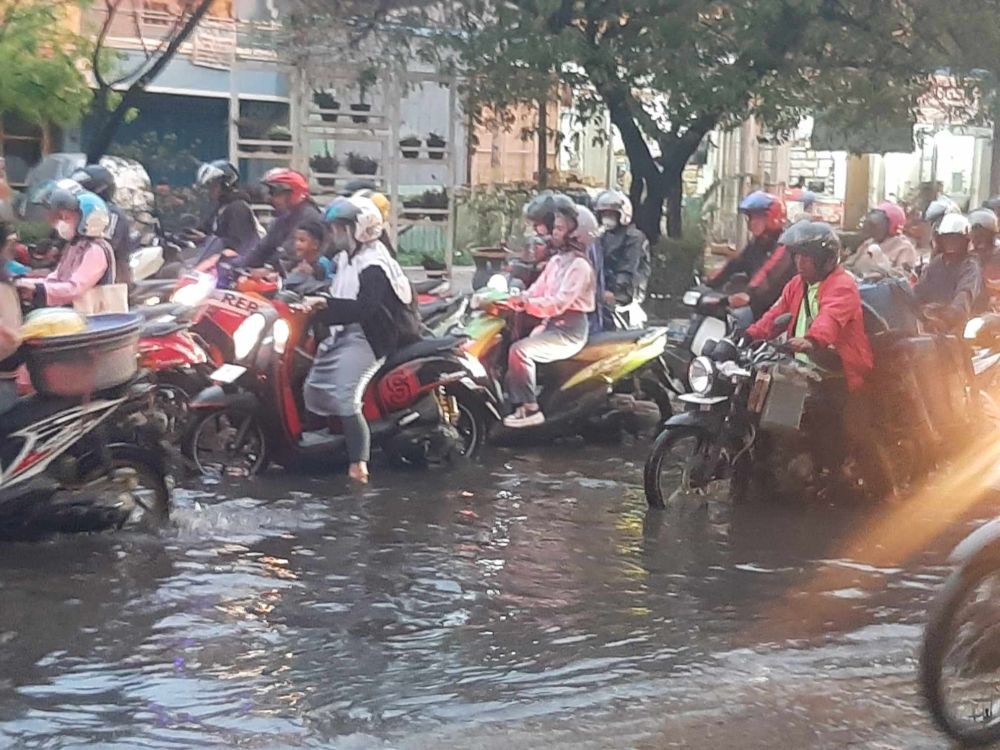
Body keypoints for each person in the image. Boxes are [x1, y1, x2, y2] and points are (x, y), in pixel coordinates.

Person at [302, 196, 421, 485]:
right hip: (348, 332)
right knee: (313, 383)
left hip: (371, 338)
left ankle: (359, 465)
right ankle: (327, 441)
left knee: (345, 395)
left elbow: (363, 308)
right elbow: (337, 292)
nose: (335, 234)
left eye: (341, 227)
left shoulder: (374, 264)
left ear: (359, 229)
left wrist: (323, 307)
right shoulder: (347, 258)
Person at [503, 194, 596, 429]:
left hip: (569, 332)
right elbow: (537, 290)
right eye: (556, 227)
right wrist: (515, 298)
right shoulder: (557, 262)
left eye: (560, 228)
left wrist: (527, 304)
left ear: (577, 232)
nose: (554, 233)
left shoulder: (580, 266)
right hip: (550, 325)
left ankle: (530, 409)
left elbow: (558, 303)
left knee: (519, 351)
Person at [15, 188, 116, 309]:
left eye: (67, 218)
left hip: (91, 318)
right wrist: (24, 283)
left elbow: (75, 288)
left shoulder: (96, 250)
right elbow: (56, 279)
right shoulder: (75, 246)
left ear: (89, 220)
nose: (61, 223)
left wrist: (37, 288)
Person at [707, 190, 793, 319]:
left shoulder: (783, 245)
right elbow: (736, 263)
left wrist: (747, 295)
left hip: (777, 310)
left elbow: (767, 275)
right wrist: (710, 283)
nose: (750, 223)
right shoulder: (757, 243)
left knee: (740, 321)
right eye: (749, 218)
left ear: (771, 218)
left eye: (755, 218)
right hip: (759, 304)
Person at [914, 213, 984, 332]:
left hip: (961, 329)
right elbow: (918, 292)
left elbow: (963, 299)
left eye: (956, 238)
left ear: (965, 240)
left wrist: (944, 314)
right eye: (947, 238)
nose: (951, 243)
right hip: (932, 323)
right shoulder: (937, 263)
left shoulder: (970, 266)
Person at [242, 168, 322, 272]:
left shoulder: (309, 217)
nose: (270, 199)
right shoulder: (284, 219)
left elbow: (288, 254)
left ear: (292, 193)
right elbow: (262, 249)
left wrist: (269, 268)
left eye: (275, 193)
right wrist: (236, 265)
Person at [593, 189, 651, 330]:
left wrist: (614, 291)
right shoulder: (601, 236)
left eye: (611, 214)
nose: (607, 217)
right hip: (601, 289)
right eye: (604, 214)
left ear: (622, 214)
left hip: (625, 292)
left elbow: (628, 268)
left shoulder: (633, 237)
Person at [70, 164, 133, 285]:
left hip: (110, 282)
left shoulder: (111, 215)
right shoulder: (80, 213)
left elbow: (104, 248)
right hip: (82, 279)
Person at [194, 160, 260, 263]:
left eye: (213, 185)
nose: (210, 190)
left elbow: (240, 244)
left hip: (234, 267)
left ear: (226, 184)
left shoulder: (238, 208)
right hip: (216, 261)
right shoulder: (220, 208)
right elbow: (205, 229)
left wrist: (206, 239)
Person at [846, 202, 918, 276]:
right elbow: (848, 265)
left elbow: (904, 276)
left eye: (874, 226)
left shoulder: (904, 247)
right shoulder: (869, 243)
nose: (871, 230)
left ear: (892, 226)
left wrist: (881, 275)